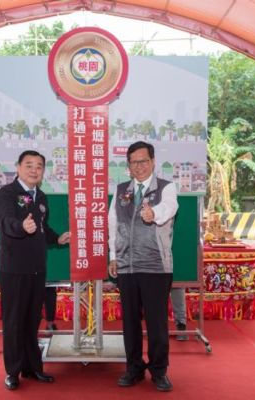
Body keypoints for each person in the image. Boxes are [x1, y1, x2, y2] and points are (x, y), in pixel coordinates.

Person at [0, 150, 70, 391]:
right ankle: (13, 371)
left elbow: (42, 228)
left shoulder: (41, 196)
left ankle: (32, 367)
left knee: (32, 320)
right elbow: (4, 222)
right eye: (29, 165)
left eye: (39, 166)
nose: (34, 170)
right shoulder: (6, 194)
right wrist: (20, 226)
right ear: (18, 167)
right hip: (14, 269)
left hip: (37, 268)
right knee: (14, 322)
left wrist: (57, 239)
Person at [108, 141, 178, 392]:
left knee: (156, 323)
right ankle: (134, 368)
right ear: (128, 165)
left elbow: (170, 208)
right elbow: (112, 223)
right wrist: (113, 256)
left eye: (143, 161)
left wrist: (154, 214)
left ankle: (159, 371)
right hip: (126, 265)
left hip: (155, 266)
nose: (139, 166)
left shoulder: (166, 188)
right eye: (134, 162)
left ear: (153, 161)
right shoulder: (121, 190)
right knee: (130, 322)